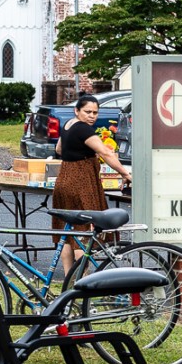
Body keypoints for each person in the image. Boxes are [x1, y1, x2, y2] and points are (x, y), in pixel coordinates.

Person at [52, 93, 133, 277]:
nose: (92, 116)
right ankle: (83, 280)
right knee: (83, 233)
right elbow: (106, 152)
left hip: (63, 181)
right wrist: (125, 174)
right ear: (77, 110)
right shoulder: (83, 129)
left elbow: (59, 149)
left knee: (66, 232)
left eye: (95, 113)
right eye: (87, 112)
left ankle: (69, 280)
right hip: (81, 183)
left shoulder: (69, 124)